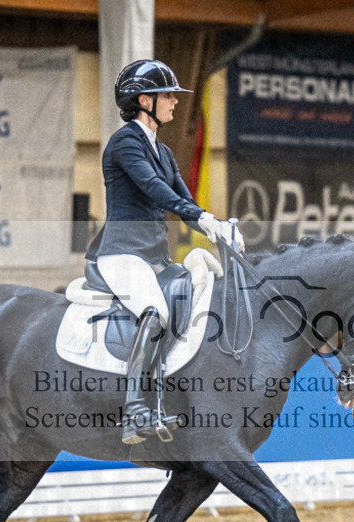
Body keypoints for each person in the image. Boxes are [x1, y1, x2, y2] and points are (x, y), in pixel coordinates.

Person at [85, 59, 243, 445]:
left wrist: (218, 227)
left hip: (155, 259)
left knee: (197, 299)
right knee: (153, 313)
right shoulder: (125, 142)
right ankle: (135, 408)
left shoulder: (165, 152)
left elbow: (184, 204)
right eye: (167, 95)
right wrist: (205, 217)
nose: (174, 101)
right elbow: (157, 191)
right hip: (122, 255)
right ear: (143, 100)